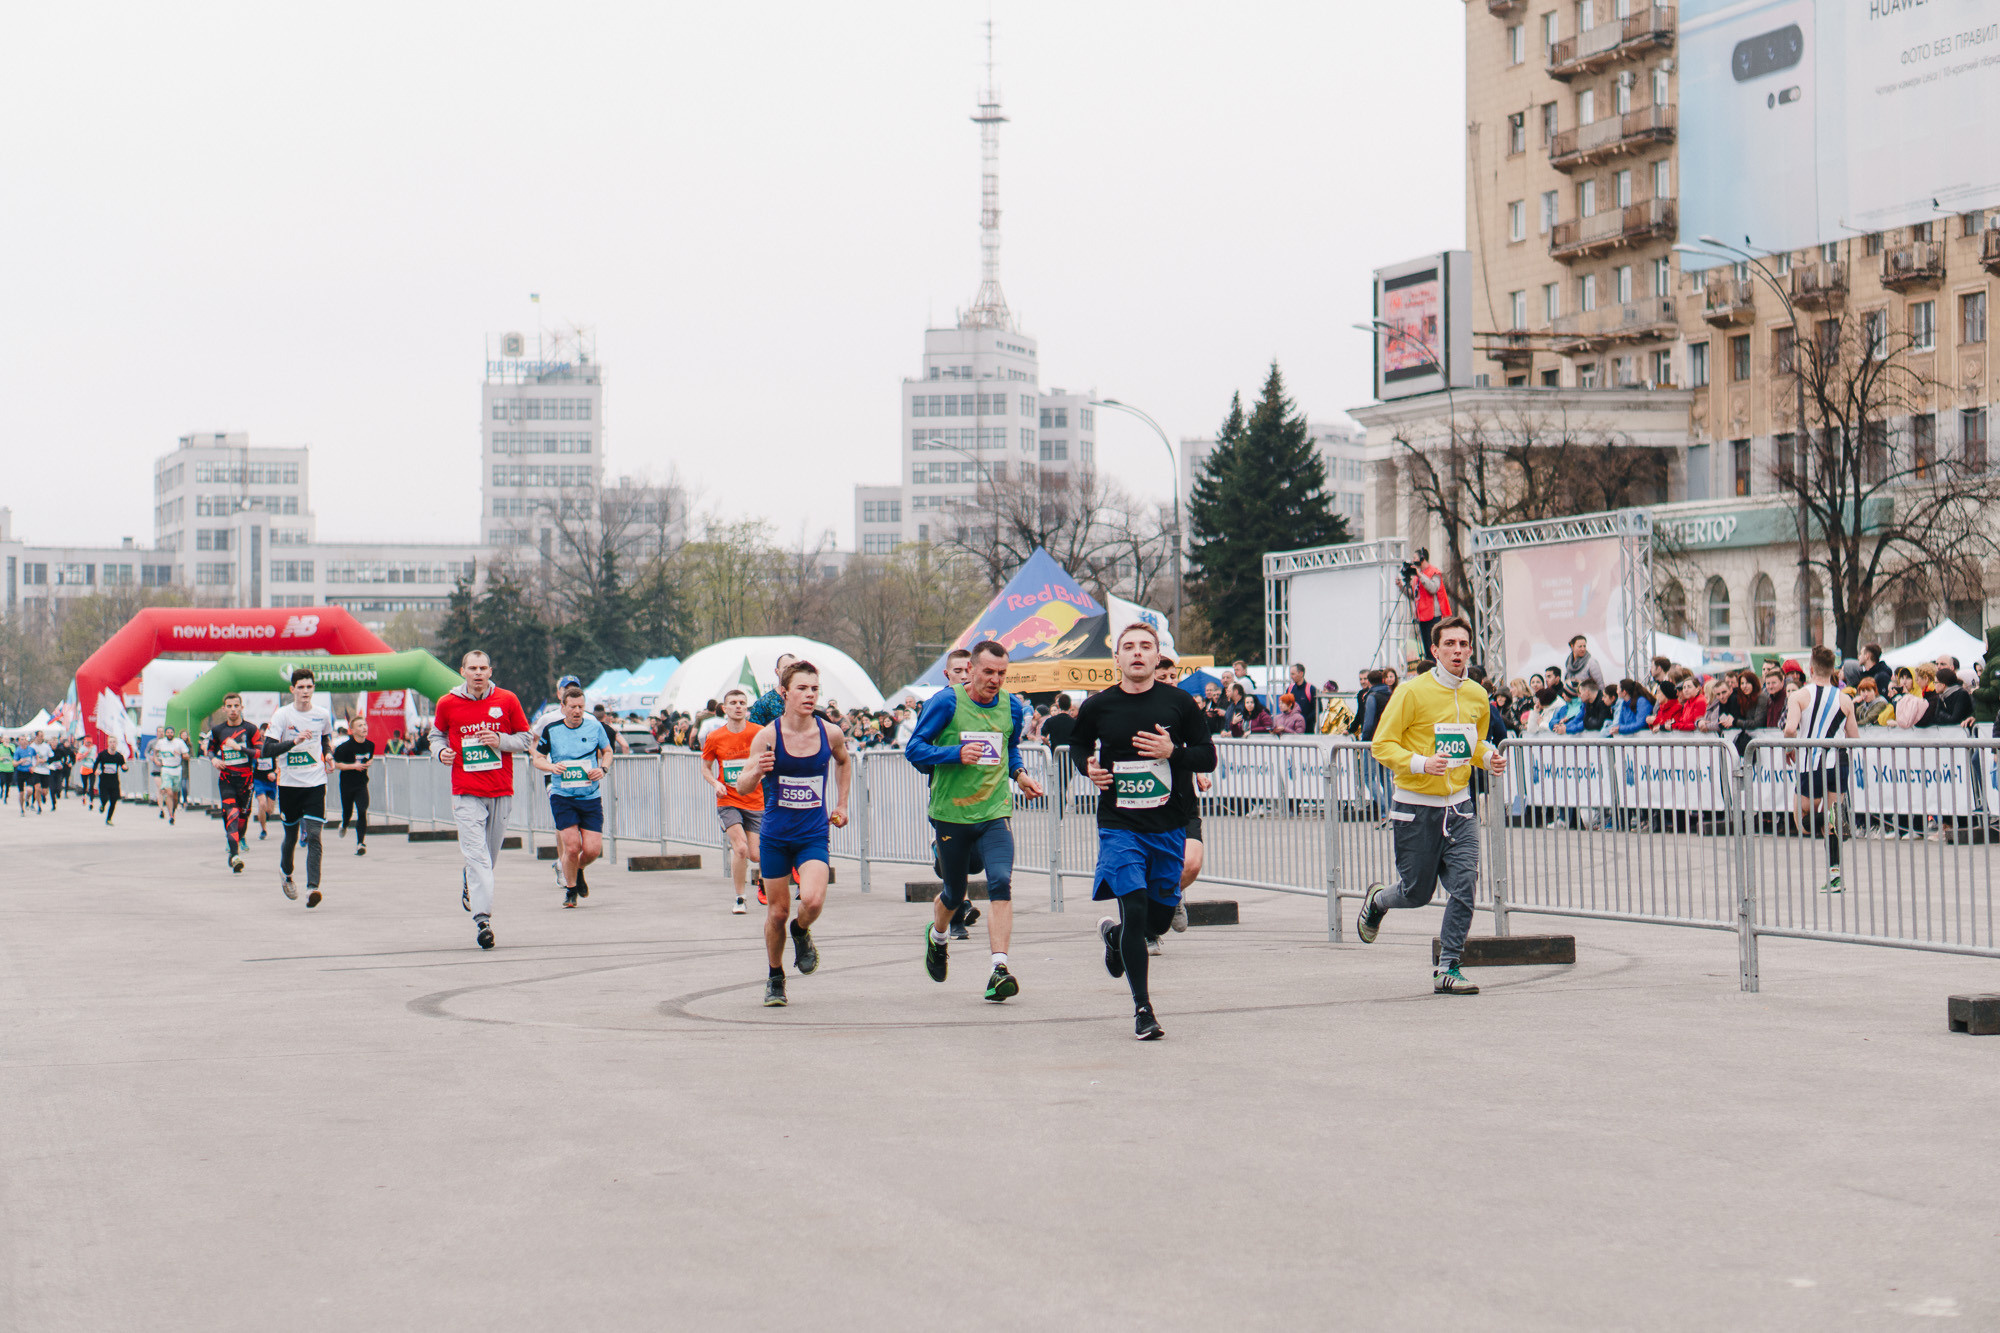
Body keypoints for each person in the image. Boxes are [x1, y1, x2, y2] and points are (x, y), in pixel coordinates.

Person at [1070, 622, 1218, 1040]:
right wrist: (1088, 767)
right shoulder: (1099, 706)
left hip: (1168, 827)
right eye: (1129, 647)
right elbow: (1079, 744)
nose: (1137, 653)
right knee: (1133, 906)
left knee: (1153, 920)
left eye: (1146, 647)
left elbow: (1208, 757)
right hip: (1119, 826)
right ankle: (1143, 1009)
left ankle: (1116, 937)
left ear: (1158, 658)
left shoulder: (1180, 704)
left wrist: (1175, 752)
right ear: (1116, 659)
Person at [1355, 616, 1508, 996]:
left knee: (1465, 887)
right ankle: (1379, 899)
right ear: (1435, 650)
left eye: (1464, 643)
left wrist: (1488, 759)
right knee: (1417, 893)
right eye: (1450, 644)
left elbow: (1471, 743)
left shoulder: (1476, 694)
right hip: (1416, 808)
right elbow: (1382, 745)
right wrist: (1422, 763)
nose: (1458, 650)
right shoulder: (1410, 692)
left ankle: (1449, 967)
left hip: (1460, 808)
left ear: (1471, 649)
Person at [909, 639, 1043, 1003]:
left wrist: (1020, 774)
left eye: (1002, 673)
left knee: (1000, 880)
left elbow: (1009, 746)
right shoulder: (947, 702)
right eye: (988, 672)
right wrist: (954, 753)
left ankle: (999, 969)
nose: (996, 680)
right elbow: (914, 748)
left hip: (994, 811)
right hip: (951, 815)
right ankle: (937, 937)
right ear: (970, 670)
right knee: (954, 893)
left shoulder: (1012, 706)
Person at [736, 660, 851, 1007]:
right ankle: (775, 977)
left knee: (813, 900)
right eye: (802, 688)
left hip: (813, 833)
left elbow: (844, 761)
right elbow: (742, 787)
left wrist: (842, 804)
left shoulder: (830, 733)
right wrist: (757, 770)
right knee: (777, 913)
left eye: (814, 688)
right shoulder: (767, 736)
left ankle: (801, 931)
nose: (810, 694)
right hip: (775, 836)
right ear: (784, 693)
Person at [430, 650, 534, 950]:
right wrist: (441, 752)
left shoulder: (507, 700)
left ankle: (470, 880)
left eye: (483, 668)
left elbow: (526, 739)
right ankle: (483, 920)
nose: (478, 673)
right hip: (465, 791)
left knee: (488, 860)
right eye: (472, 668)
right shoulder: (447, 703)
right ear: (462, 671)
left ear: (491, 671)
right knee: (478, 858)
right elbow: (435, 736)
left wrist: (499, 741)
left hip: (500, 790)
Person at [1784, 644, 1859, 894]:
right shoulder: (1844, 698)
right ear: (1833, 670)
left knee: (1803, 822)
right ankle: (1835, 875)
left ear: (1810, 668)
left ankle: (1831, 819)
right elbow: (1854, 737)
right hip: (1838, 763)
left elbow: (1790, 729)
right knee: (1832, 823)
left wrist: (1788, 749)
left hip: (1811, 763)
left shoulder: (1799, 696)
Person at [532, 685, 614, 908]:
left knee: (592, 850)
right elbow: (537, 758)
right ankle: (570, 891)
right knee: (571, 847)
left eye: (581, 707)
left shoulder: (595, 726)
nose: (577, 711)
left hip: (589, 796)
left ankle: (578, 870)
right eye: (573, 707)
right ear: (563, 707)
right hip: (563, 796)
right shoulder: (552, 730)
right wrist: (551, 767)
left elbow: (608, 752)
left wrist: (603, 769)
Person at [261, 668, 336, 908]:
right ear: (292, 689)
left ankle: (313, 888)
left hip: (315, 782)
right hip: (289, 785)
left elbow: (325, 738)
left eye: (309, 687)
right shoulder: (283, 715)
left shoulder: (322, 715)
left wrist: (328, 755)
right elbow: (267, 750)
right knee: (291, 836)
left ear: (314, 689)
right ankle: (286, 872)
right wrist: (294, 741)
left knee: (314, 835)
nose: (305, 691)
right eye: (301, 687)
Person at [702, 687, 764, 914]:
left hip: (756, 800)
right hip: (728, 800)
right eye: (734, 703)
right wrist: (715, 783)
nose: (738, 706)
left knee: (756, 854)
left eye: (742, 702)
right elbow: (706, 767)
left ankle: (765, 881)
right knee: (740, 849)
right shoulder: (715, 737)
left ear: (746, 708)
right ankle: (740, 898)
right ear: (724, 709)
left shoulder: (759, 732)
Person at [205, 692, 260, 873]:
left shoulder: (251, 729)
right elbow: (210, 749)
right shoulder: (218, 730)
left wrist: (240, 748)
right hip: (227, 780)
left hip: (247, 782)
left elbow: (260, 753)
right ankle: (235, 856)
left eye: (236, 706)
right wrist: (213, 759)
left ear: (242, 708)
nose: (233, 710)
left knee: (242, 819)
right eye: (229, 706)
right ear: (224, 709)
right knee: (232, 814)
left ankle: (237, 842)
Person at [333, 716, 377, 856]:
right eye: (360, 726)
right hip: (347, 784)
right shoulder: (344, 747)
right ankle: (345, 823)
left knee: (362, 810)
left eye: (365, 725)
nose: (364, 728)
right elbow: (336, 765)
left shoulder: (370, 745)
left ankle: (360, 843)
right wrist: (354, 766)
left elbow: (370, 757)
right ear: (352, 730)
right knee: (348, 812)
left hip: (361, 784)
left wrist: (369, 762)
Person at [1405, 548, 1450, 655]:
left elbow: (1433, 588)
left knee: (1433, 647)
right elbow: (1414, 596)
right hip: (1422, 616)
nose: (1413, 560)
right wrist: (1402, 586)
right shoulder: (1418, 576)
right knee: (1426, 649)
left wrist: (1420, 576)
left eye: (1415, 558)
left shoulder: (1433, 572)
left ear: (1422, 558)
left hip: (1433, 615)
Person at [746, 652, 797, 728]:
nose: (790, 671)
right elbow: (753, 733)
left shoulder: (805, 699)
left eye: (794, 667)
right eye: (786, 668)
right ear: (777, 671)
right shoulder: (764, 703)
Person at [152, 725, 189, 824]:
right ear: (165, 733)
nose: (169, 734)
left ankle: (173, 810)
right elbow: (155, 752)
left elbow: (187, 756)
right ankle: (171, 815)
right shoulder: (161, 742)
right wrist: (155, 759)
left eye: (171, 732)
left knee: (175, 795)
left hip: (176, 769)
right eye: (167, 732)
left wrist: (180, 754)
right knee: (169, 792)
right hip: (166, 769)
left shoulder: (179, 742)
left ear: (174, 733)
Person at [95, 740, 125, 824]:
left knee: (114, 800)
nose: (113, 744)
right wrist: (96, 770)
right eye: (111, 742)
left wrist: (125, 767)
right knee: (104, 798)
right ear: (108, 744)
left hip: (114, 781)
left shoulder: (119, 756)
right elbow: (96, 763)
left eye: (114, 742)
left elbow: (123, 766)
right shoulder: (102, 754)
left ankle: (109, 818)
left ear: (116, 744)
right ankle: (103, 805)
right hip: (104, 781)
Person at [1286, 664, 1318, 732]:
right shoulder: (1290, 689)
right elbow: (1285, 706)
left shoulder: (1311, 689)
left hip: (1307, 730)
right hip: (1291, 729)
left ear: (1301, 673)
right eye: (1291, 674)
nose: (1291, 677)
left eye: (1293, 674)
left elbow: (1318, 709)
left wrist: (1304, 720)